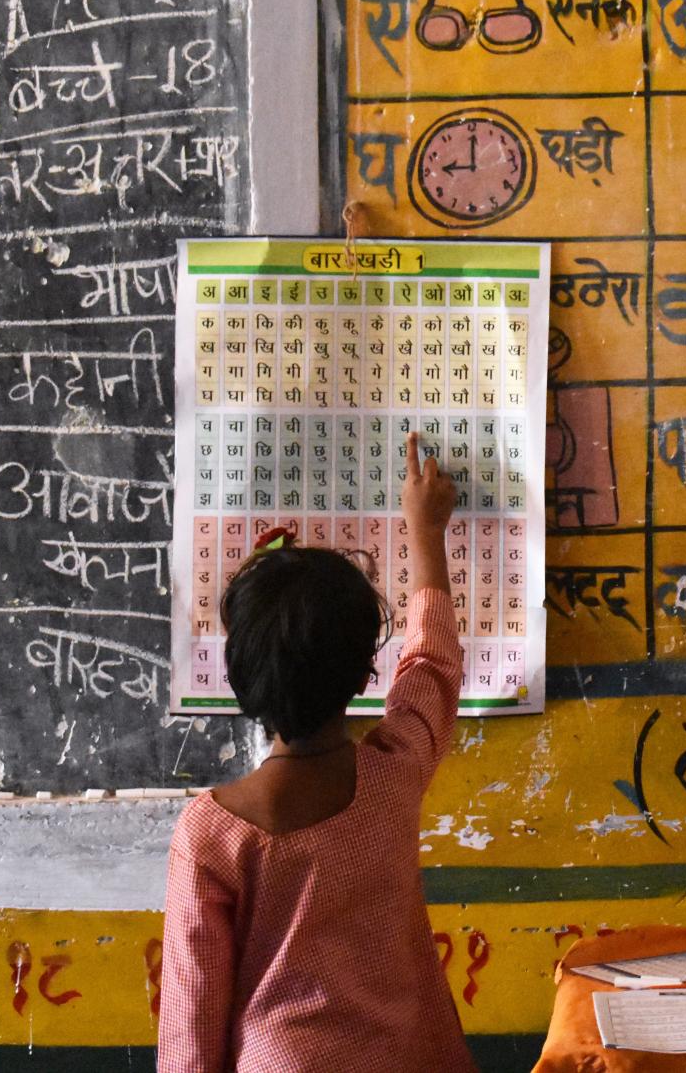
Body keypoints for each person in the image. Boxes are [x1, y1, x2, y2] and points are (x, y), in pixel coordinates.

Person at [159, 433, 478, 1073]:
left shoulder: (210, 836)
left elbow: (190, 1038)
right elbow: (432, 669)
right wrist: (426, 533)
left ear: (242, 679)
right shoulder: (393, 777)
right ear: (365, 677)